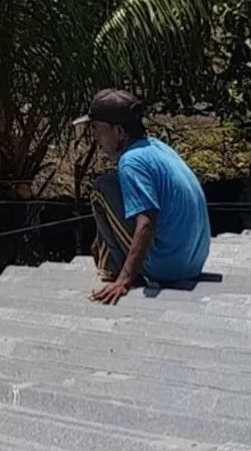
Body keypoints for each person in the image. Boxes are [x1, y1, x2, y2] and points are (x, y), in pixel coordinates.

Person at [75, 89, 211, 306]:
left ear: (119, 131)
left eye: (97, 129)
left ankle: (113, 268)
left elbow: (147, 223)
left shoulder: (131, 162)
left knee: (102, 187)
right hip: (192, 262)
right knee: (113, 182)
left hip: (167, 268)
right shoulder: (157, 148)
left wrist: (124, 280)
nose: (95, 137)